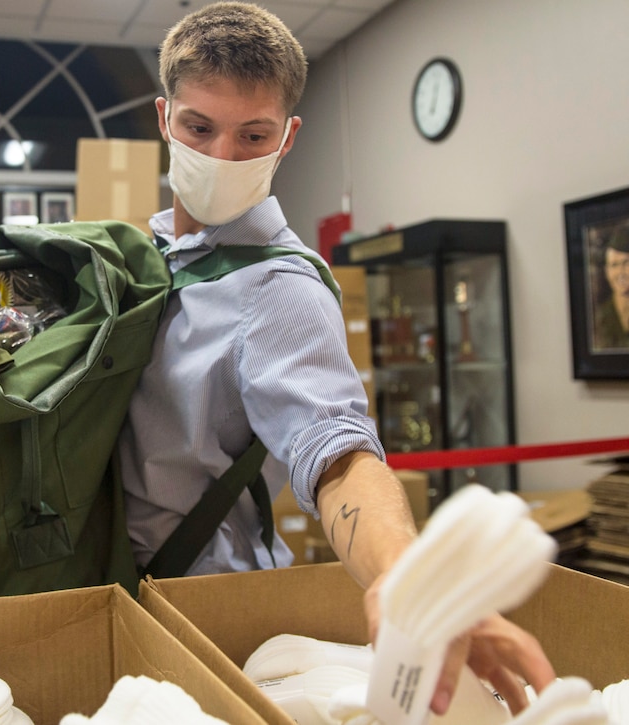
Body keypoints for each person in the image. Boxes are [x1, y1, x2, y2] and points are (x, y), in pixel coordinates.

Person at [115, 1, 554, 716]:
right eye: (200, 128)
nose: (222, 156)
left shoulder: (278, 288)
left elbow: (336, 447)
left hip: (212, 615)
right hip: (120, 595)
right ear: (166, 118)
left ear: (287, 137)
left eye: (252, 134)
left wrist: (401, 575)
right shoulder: (146, 256)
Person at [592, 226, 629, 350]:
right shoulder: (599, 317)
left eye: (626, 263)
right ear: (607, 271)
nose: (620, 272)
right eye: (614, 265)